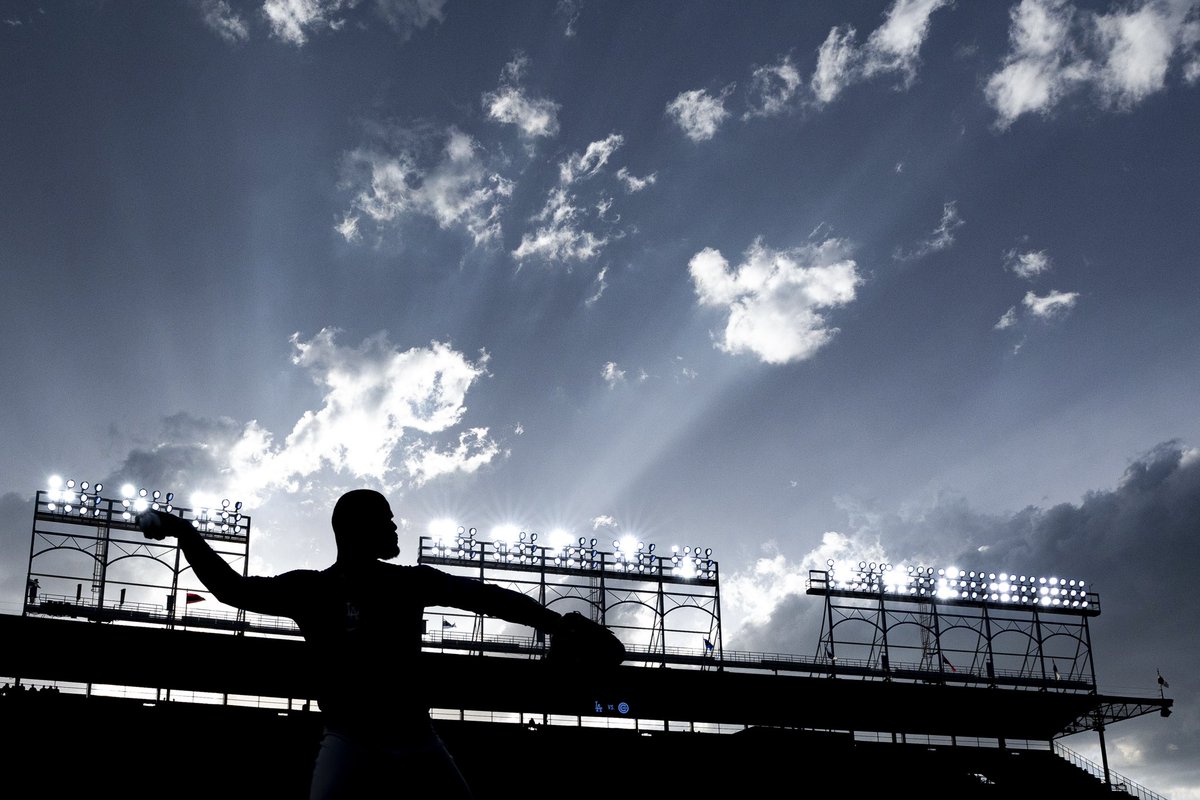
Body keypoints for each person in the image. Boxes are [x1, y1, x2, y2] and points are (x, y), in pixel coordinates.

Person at [137, 489, 621, 799]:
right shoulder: (318, 587)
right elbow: (232, 591)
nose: (395, 529)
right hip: (351, 740)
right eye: (386, 520)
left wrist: (555, 623)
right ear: (355, 529)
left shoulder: (399, 582)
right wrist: (184, 532)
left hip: (414, 738)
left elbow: (488, 597)